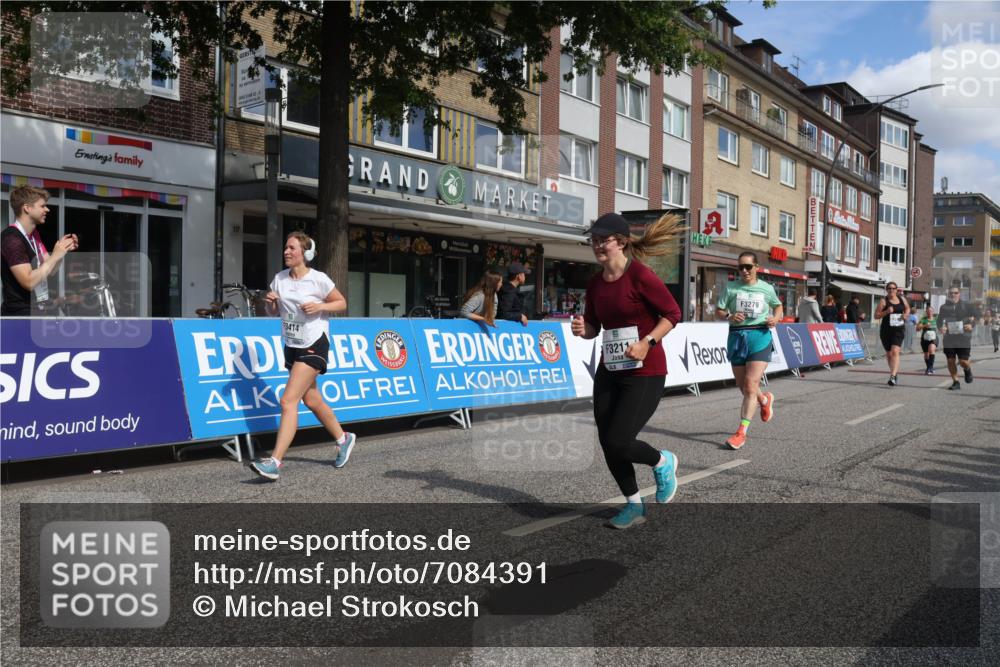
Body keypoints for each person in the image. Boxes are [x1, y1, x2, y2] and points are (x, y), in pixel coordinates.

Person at [570, 212, 682, 529]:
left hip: (645, 373)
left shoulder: (641, 276)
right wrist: (584, 328)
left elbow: (672, 313)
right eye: (593, 240)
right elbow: (595, 328)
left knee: (620, 440)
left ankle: (663, 461)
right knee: (608, 441)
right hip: (611, 370)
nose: (597, 246)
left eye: (602, 240)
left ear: (620, 242)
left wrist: (647, 341)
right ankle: (634, 505)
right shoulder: (594, 283)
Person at [250, 232, 355, 480]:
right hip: (292, 343)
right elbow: (272, 313)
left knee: (288, 401)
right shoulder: (280, 279)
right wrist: (272, 303)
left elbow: (341, 303)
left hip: (314, 341)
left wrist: (320, 306)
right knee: (312, 399)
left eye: (292, 248)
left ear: (304, 254)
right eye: (285, 248)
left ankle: (275, 462)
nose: (286, 252)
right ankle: (343, 438)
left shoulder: (318, 280)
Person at [715, 251, 783, 450]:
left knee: (751, 383)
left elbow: (778, 306)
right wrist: (729, 315)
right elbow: (718, 311)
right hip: (737, 336)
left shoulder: (766, 288)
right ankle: (764, 399)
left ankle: (741, 433)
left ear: (756, 268)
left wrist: (776, 318)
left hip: (759, 336)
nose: (744, 271)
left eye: (748, 267)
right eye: (740, 267)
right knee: (743, 386)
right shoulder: (731, 287)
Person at [1, 185, 78, 316]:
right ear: (27, 208)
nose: (47, 209)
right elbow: (29, 282)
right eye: (42, 206)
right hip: (19, 317)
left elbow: (51, 270)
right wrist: (55, 256)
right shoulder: (11, 238)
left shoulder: (34, 235)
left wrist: (62, 250)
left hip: (38, 312)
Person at [937, 287, 979, 390]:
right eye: (951, 293)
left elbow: (978, 316)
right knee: (950, 360)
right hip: (949, 338)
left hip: (963, 337)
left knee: (962, 361)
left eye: (955, 293)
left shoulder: (967, 305)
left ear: (959, 294)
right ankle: (956, 382)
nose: (953, 295)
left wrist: (972, 325)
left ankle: (967, 369)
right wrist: (941, 328)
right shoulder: (943, 307)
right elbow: (939, 320)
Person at [874, 282, 909, 386]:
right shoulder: (883, 301)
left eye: (893, 288)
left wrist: (906, 314)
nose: (891, 290)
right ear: (886, 290)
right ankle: (894, 372)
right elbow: (876, 316)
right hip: (886, 330)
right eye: (889, 288)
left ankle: (892, 376)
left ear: (896, 289)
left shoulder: (902, 299)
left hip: (898, 330)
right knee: (889, 354)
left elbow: (907, 308)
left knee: (895, 352)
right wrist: (886, 312)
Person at [497, 261, 530, 326]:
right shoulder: (508, 291)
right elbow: (505, 313)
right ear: (519, 276)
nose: (525, 277)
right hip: (506, 328)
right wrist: (520, 316)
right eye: (524, 274)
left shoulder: (510, 289)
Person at [917, 306, 939, 375]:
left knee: (931, 350)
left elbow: (942, 326)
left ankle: (930, 368)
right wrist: (924, 326)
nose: (929, 312)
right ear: (926, 312)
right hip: (925, 339)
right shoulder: (923, 319)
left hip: (934, 338)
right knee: (926, 354)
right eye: (928, 311)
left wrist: (943, 329)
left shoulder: (936, 319)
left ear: (933, 312)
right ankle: (929, 367)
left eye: (931, 311)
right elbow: (917, 328)